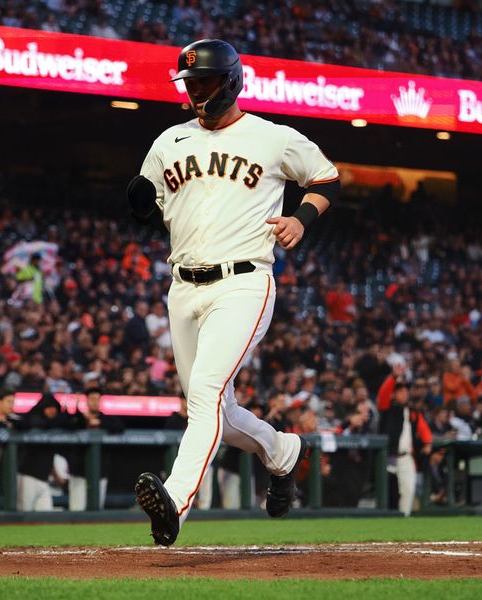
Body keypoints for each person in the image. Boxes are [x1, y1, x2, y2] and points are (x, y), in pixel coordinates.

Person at [128, 39, 339, 546]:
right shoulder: (169, 141)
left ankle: (175, 501)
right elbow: (149, 201)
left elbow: (326, 178)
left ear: (232, 81)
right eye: (191, 84)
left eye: (204, 82)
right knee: (214, 408)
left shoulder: (271, 137)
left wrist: (300, 218)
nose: (197, 92)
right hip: (183, 286)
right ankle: (283, 453)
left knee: (204, 393)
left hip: (244, 282)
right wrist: (141, 203)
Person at [377, 377, 433, 516]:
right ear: (394, 393)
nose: (404, 394)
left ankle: (404, 521)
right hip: (389, 457)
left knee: (408, 489)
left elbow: (423, 428)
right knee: (389, 493)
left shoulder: (411, 411)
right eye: (400, 391)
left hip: (406, 457)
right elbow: (383, 394)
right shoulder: (387, 408)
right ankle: (386, 522)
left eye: (406, 391)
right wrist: (393, 377)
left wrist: (428, 442)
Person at [66, 387, 125, 511]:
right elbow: (69, 423)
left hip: (100, 471)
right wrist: (82, 416)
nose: (95, 402)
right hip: (79, 471)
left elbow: (119, 426)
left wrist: (98, 422)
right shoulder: (79, 418)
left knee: (97, 509)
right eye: (92, 399)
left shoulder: (105, 419)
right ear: (86, 401)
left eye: (97, 399)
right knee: (77, 508)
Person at [17, 393, 69, 512]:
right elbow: (27, 422)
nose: (52, 411)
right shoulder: (33, 419)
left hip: (43, 479)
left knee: (46, 515)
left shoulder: (54, 425)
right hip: (27, 477)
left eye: (54, 408)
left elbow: (67, 422)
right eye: (49, 407)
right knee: (24, 514)